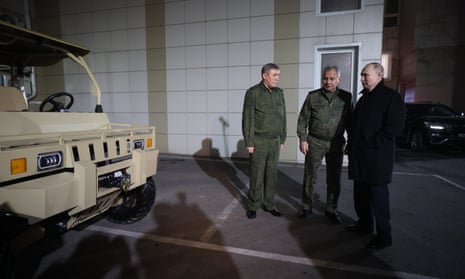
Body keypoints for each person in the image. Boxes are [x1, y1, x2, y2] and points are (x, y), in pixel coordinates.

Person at [346, 62, 405, 250]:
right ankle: (364, 225)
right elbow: (355, 127)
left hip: (378, 159)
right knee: (360, 196)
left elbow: (394, 128)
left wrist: (373, 144)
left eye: (366, 75)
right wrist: (352, 145)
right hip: (360, 158)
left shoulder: (391, 97)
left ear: (380, 76)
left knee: (378, 199)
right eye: (362, 75)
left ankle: (384, 236)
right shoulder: (363, 99)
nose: (363, 78)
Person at [296, 66, 352, 223]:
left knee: (334, 178)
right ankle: (307, 206)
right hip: (315, 142)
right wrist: (303, 139)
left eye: (332, 78)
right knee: (310, 176)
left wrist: (352, 142)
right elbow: (302, 120)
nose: (328, 82)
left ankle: (331, 209)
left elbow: (350, 122)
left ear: (338, 79)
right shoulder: (313, 97)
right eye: (325, 78)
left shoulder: (346, 98)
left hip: (336, 143)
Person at [242, 63, 287, 219]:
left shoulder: (279, 93)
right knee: (257, 174)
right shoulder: (253, 93)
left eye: (278, 75)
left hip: (275, 141)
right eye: (274, 75)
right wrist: (249, 142)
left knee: (272, 175)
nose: (277, 78)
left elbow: (283, 116)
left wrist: (283, 136)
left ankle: (269, 204)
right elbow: (248, 119)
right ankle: (253, 205)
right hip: (259, 141)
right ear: (264, 75)